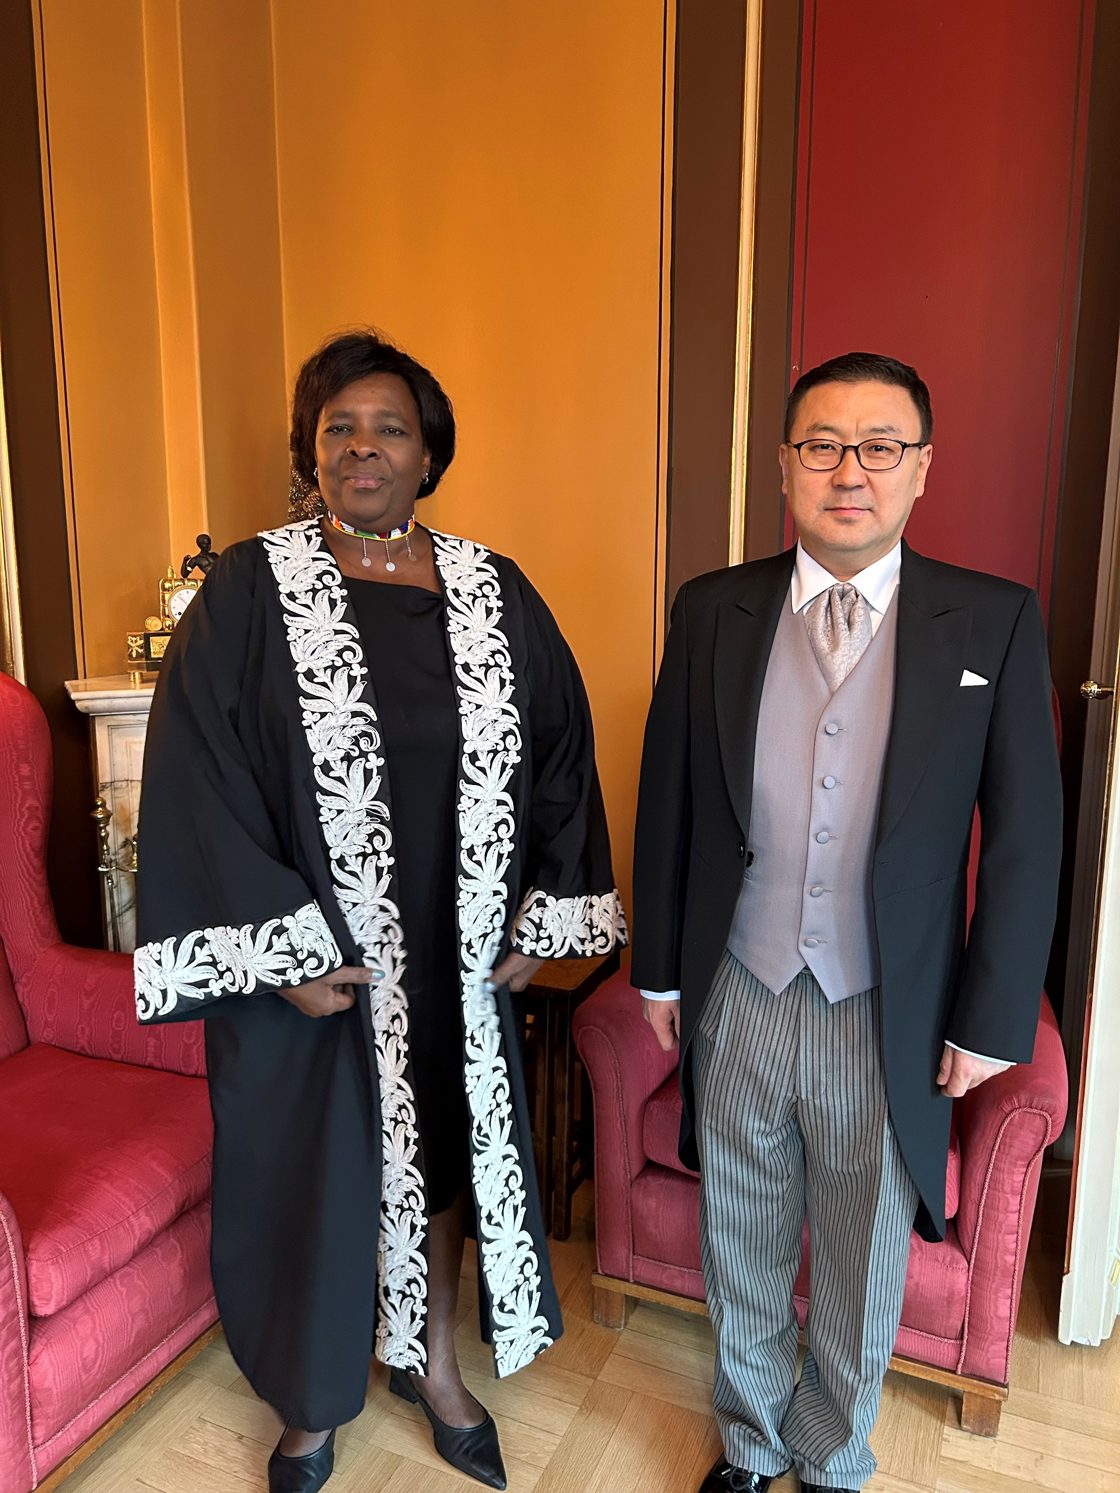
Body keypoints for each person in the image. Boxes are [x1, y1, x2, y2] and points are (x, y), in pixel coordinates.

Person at [133, 329, 626, 1493]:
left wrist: (536, 918)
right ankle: (311, 1401)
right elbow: (199, 775)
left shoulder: (494, 591)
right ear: (311, 453)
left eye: (389, 427)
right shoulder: (247, 591)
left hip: (451, 958)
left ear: (428, 455)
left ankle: (432, 1363)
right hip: (321, 962)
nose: (363, 446)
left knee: (444, 1154)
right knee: (310, 1167)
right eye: (339, 427)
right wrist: (282, 949)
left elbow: (560, 751)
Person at [630, 351, 1061, 1493]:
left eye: (880, 446)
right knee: (740, 1230)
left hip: (889, 1001)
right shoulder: (712, 607)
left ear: (922, 468)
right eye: (822, 445)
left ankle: (829, 1456)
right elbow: (668, 796)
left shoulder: (993, 621)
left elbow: (1025, 838)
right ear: (784, 464)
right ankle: (750, 1441)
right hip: (740, 980)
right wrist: (660, 972)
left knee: (866, 1249)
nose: (850, 472)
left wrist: (990, 1017)